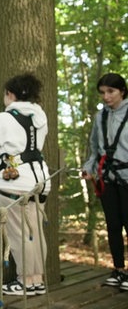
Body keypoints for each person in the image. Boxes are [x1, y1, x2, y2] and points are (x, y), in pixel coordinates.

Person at [0, 73, 51, 296]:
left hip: (15, 183)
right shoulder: (40, 117)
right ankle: (37, 279)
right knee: (35, 232)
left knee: (20, 234)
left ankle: (26, 281)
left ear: (10, 94)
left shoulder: (3, 118)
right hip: (40, 180)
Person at [81, 73, 128, 290]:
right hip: (107, 178)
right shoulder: (100, 117)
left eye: (111, 91)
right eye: (103, 92)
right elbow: (94, 148)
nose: (106, 97)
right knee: (113, 226)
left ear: (122, 91)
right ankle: (119, 270)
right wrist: (89, 169)